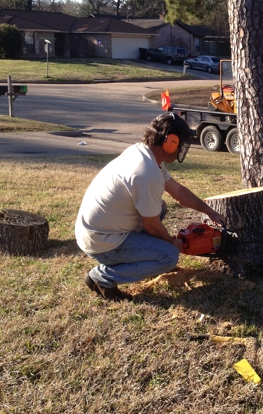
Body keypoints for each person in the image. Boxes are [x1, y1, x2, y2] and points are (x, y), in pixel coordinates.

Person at [75, 112, 225, 301]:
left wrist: (209, 211)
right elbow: (151, 226)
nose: (182, 149)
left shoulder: (143, 153)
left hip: (97, 231)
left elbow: (178, 192)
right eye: (181, 143)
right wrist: (172, 244)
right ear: (170, 142)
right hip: (103, 243)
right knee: (168, 257)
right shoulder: (147, 174)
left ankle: (146, 255)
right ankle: (102, 277)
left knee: (159, 207)